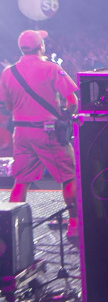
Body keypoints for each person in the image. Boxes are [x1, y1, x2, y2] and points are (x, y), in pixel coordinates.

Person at [0, 30, 80, 238]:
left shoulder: (9, 72)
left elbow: (7, 104)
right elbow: (72, 101)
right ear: (40, 47)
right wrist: (66, 116)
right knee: (68, 176)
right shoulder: (51, 68)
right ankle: (74, 225)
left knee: (21, 181)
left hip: (22, 133)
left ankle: (12, 233)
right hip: (48, 133)